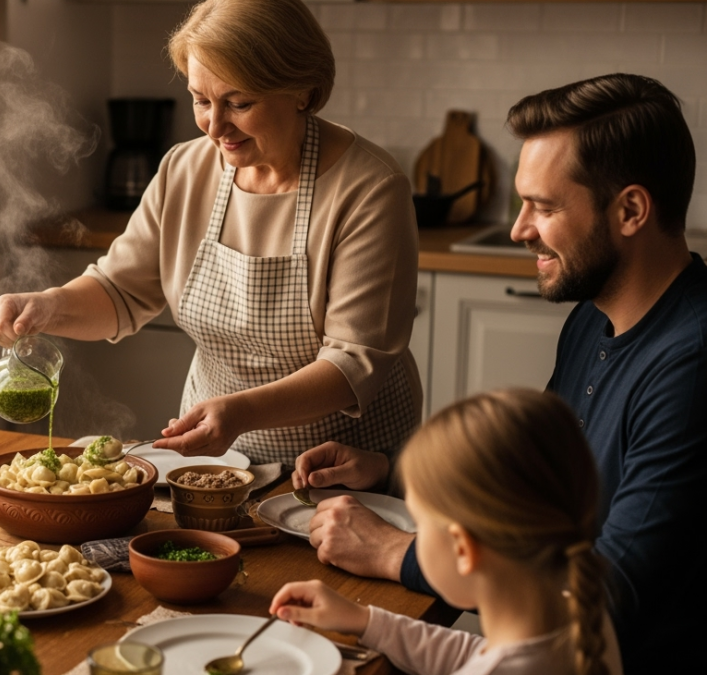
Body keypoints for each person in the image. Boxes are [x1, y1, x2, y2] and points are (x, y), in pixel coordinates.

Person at [294, 73, 705, 672]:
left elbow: (607, 605)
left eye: (544, 206)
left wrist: (398, 554)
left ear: (631, 210)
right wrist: (395, 475)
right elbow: (525, 477)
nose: (518, 229)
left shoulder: (691, 368)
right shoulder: (595, 316)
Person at [0, 0, 422, 466]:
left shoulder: (370, 188)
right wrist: (46, 307)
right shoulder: (186, 169)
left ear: (303, 90)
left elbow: (353, 364)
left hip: (341, 465)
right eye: (201, 100)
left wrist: (239, 413)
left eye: (239, 103)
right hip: (218, 459)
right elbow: (119, 291)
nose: (215, 127)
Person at [272, 390, 621, 675]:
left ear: (463, 550)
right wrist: (364, 621)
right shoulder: (577, 616)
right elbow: (477, 653)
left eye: (420, 526)